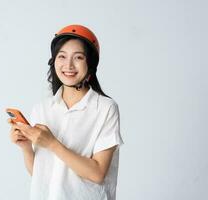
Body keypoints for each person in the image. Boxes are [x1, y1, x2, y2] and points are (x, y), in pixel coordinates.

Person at [7, 24, 124, 200]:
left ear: (90, 64)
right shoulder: (42, 108)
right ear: (54, 61)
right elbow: (40, 175)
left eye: (78, 57)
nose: (68, 65)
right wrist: (25, 148)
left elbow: (98, 173)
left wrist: (52, 143)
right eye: (62, 56)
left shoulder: (106, 108)